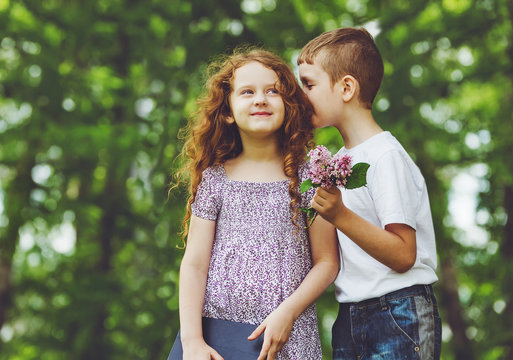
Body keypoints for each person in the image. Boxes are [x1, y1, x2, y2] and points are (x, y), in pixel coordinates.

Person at [172, 48, 339, 360]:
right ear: (227, 111)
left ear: (289, 105)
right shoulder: (215, 180)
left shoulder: (311, 177)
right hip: (215, 342)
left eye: (272, 91)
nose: (260, 99)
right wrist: (192, 340)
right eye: (247, 92)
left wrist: (287, 313)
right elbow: (194, 264)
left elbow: (327, 262)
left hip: (287, 339)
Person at [297, 27, 442, 359]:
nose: (302, 96)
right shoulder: (336, 163)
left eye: (309, 84)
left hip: (397, 309)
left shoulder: (385, 155)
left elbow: (404, 255)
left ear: (346, 87)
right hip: (350, 314)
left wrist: (340, 215)